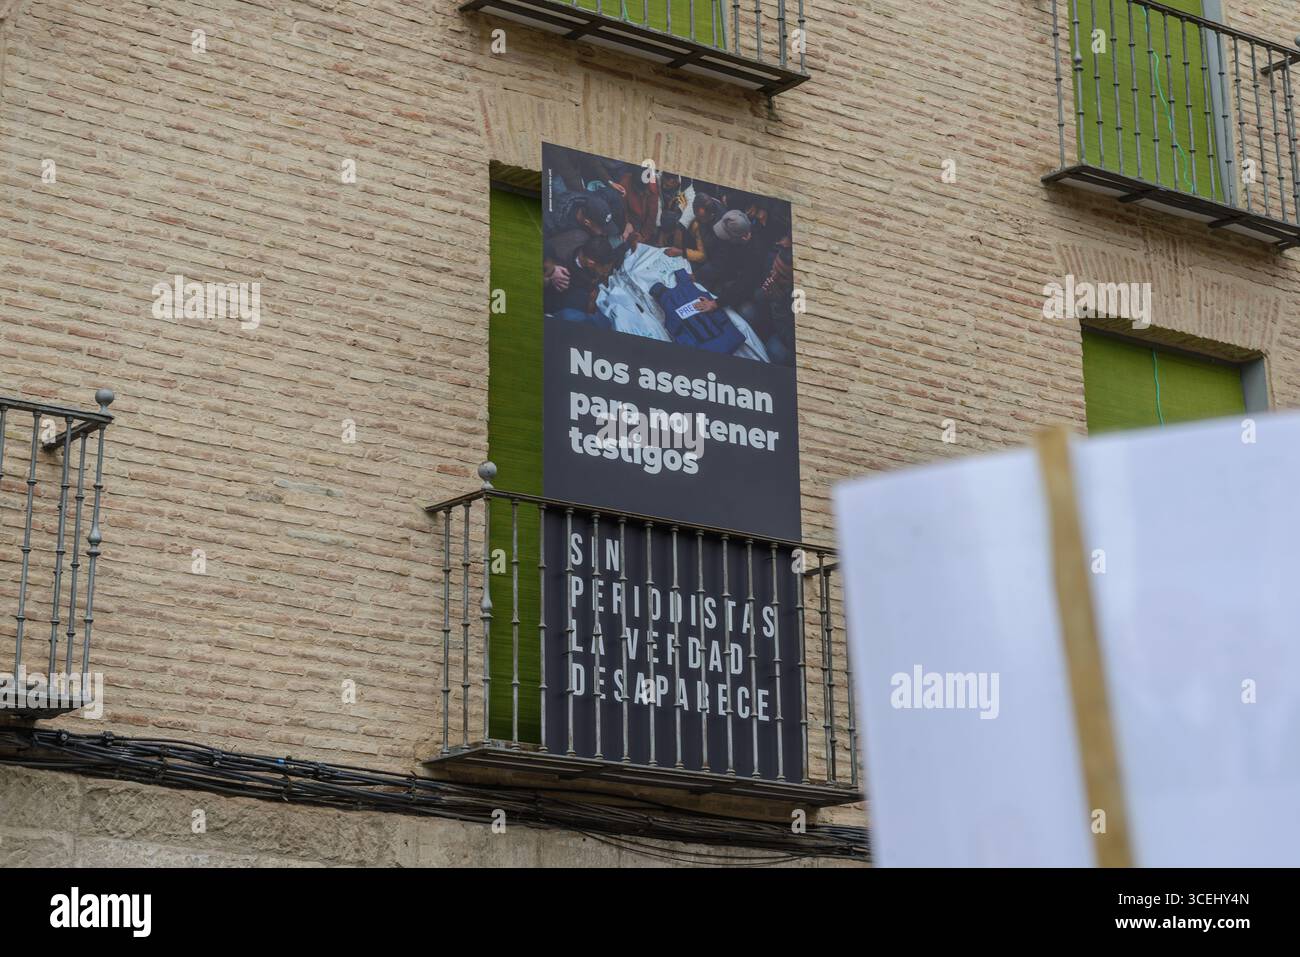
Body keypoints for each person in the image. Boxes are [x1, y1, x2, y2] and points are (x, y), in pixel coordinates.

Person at [544, 234, 620, 328]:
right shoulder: (562, 270)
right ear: (591, 263)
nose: (604, 275)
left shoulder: (582, 237)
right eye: (603, 272)